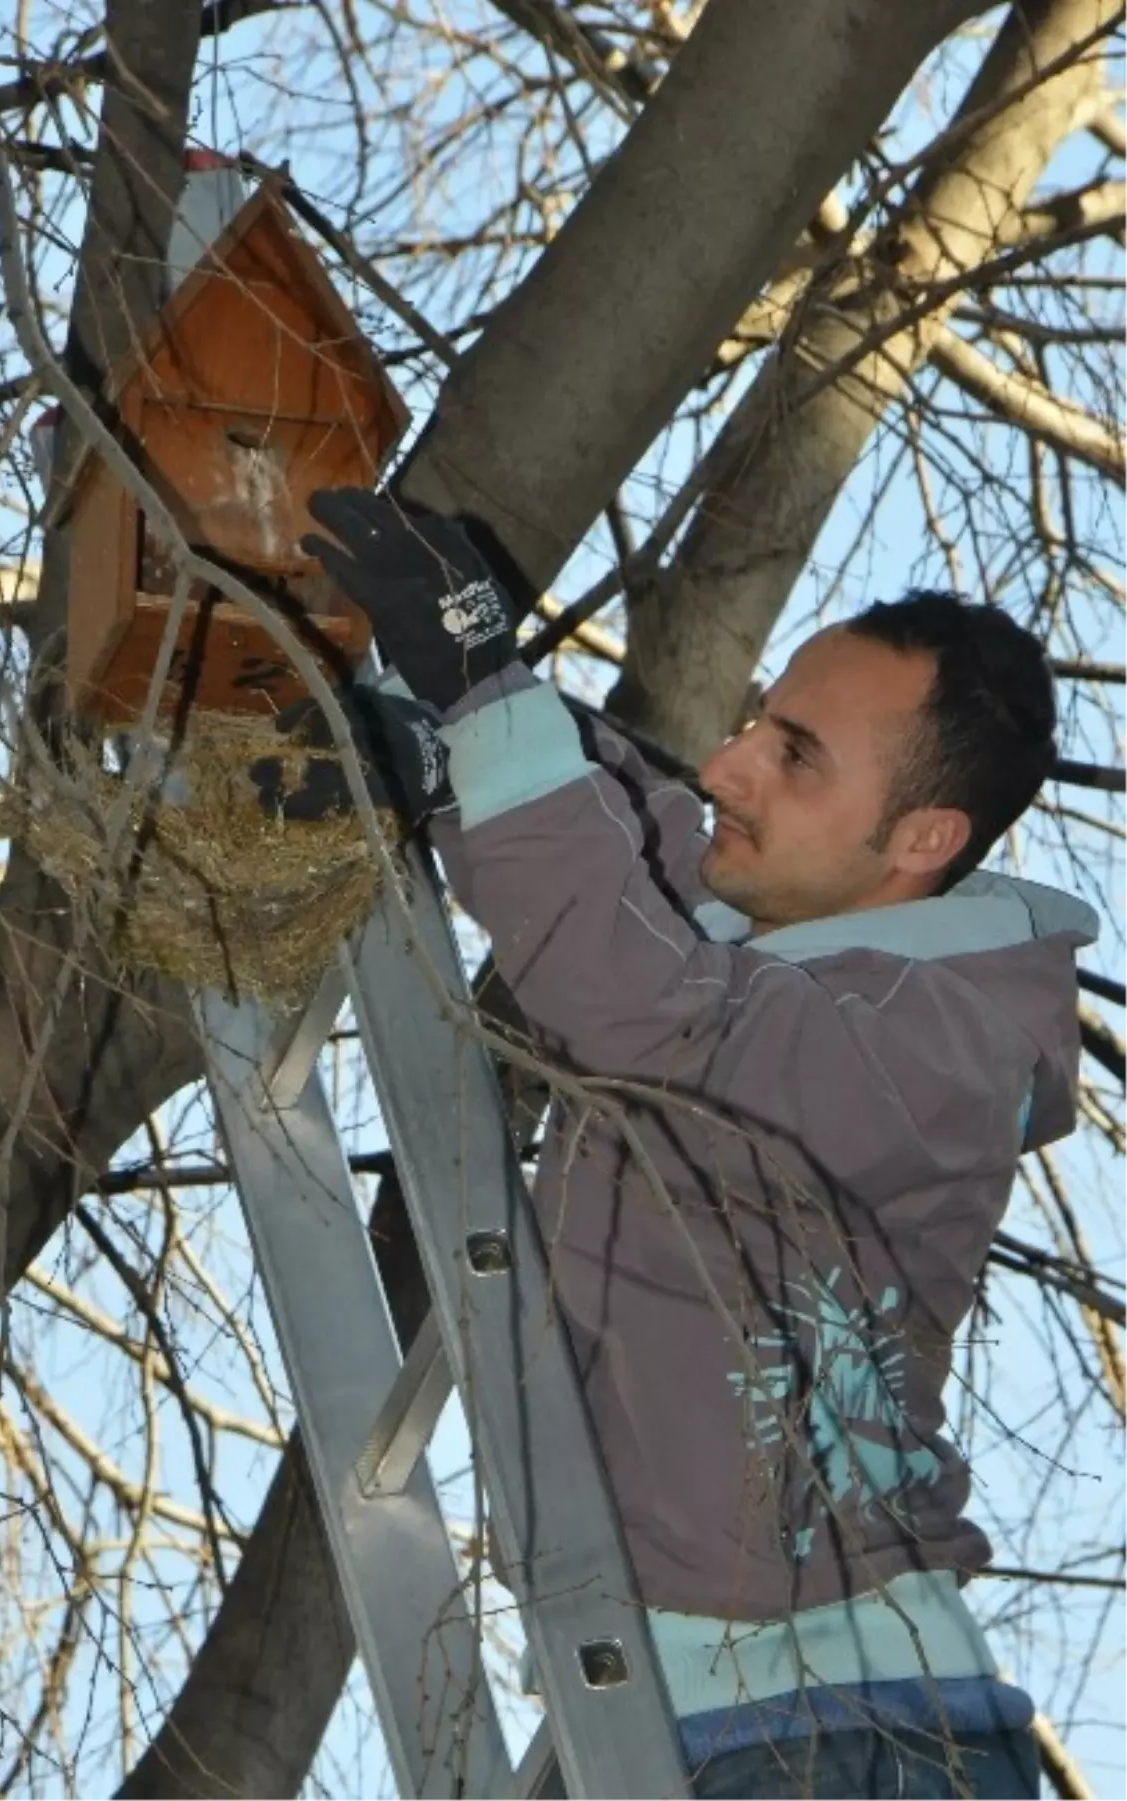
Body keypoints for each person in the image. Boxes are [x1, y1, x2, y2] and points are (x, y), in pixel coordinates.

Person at [251, 490, 1099, 1800]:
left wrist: (489, 692)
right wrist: (450, 754)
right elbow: (640, 843)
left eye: (797, 755)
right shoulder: (794, 952)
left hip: (846, 1740)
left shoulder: (929, 1052)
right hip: (680, 1722)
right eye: (759, 719)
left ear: (922, 842)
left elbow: (653, 1007)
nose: (730, 764)